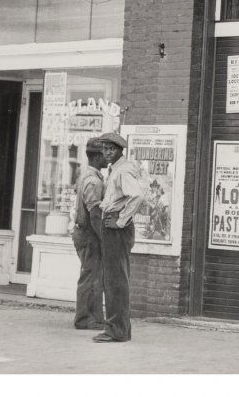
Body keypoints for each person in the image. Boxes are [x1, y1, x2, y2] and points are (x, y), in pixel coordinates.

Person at [93, 131, 146, 343]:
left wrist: (120, 220)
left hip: (115, 227)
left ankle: (116, 330)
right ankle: (120, 329)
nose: (106, 152)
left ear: (119, 150)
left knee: (115, 280)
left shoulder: (122, 171)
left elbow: (138, 195)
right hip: (113, 223)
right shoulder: (117, 169)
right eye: (104, 149)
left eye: (111, 149)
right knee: (116, 278)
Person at [71, 138, 108, 330]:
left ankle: (93, 317)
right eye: (103, 154)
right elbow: (94, 214)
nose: (107, 157)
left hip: (84, 233)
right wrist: (104, 238)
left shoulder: (86, 175)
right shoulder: (93, 181)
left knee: (93, 275)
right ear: (95, 157)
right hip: (89, 234)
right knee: (91, 276)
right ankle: (85, 319)